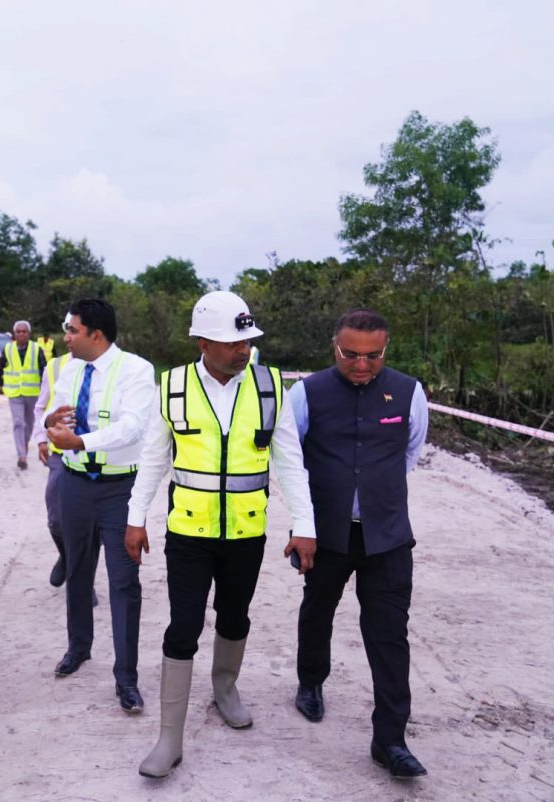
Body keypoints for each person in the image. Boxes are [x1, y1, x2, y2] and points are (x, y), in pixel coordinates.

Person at [123, 291, 317, 778]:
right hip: (188, 531)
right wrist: (135, 516)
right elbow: (152, 459)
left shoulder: (270, 387)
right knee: (183, 626)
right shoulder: (171, 386)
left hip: (246, 532)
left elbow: (290, 460)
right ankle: (170, 738)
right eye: (233, 343)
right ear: (204, 342)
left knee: (235, 615)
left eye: (248, 340)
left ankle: (225, 687)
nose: (244, 350)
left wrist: (304, 524)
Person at [289, 309, 430, 778]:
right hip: (327, 534)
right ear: (335, 347)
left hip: (387, 536)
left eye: (373, 355)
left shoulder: (410, 392)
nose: (362, 364)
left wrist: (373, 494)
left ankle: (390, 740)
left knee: (389, 636)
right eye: (351, 354)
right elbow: (291, 460)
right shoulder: (306, 393)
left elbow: (409, 451)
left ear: (385, 350)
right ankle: (311, 681)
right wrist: (303, 523)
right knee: (318, 609)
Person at [44, 298, 155, 714]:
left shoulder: (137, 371)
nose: (66, 337)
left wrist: (82, 442)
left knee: (124, 581)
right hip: (74, 484)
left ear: (96, 334)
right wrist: (51, 424)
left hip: (118, 489)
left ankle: (126, 678)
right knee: (78, 569)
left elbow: (132, 427)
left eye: (72, 330)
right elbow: (56, 420)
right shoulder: (69, 369)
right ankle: (79, 647)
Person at [32, 315, 73, 586]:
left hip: (97, 458)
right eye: (69, 331)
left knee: (89, 526)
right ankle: (67, 557)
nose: (70, 337)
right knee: (56, 519)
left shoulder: (115, 369)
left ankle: (82, 578)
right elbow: (41, 407)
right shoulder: (55, 366)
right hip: (61, 455)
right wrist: (41, 439)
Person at [0, 320, 47, 469]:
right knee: (18, 423)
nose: (21, 334)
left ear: (29, 334)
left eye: (24, 332)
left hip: (32, 393)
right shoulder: (8, 349)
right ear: (14, 334)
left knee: (29, 424)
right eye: (18, 331)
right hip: (14, 392)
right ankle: (21, 455)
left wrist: (47, 391)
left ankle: (24, 444)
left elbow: (44, 371)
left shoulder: (37, 349)